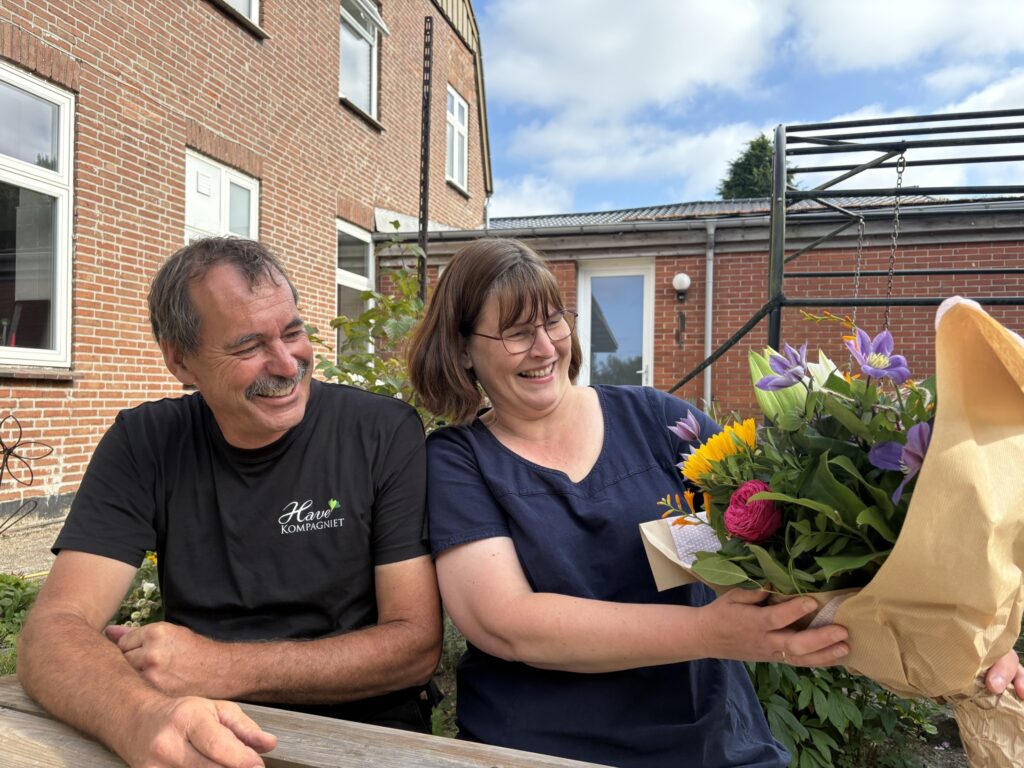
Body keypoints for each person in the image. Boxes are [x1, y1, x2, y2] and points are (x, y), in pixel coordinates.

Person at [406, 238, 1024, 768]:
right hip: (541, 750)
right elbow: (505, 622)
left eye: (554, 322)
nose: (545, 348)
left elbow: (801, 541)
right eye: (517, 333)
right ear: (461, 349)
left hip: (708, 743)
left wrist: (968, 641)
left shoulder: (658, 423)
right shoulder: (460, 460)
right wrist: (709, 632)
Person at [18, 237, 442, 768]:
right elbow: (52, 632)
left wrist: (221, 666)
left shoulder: (380, 431)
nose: (287, 364)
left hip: (363, 734)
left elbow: (415, 647)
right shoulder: (145, 442)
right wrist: (139, 717)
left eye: (293, 332)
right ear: (181, 362)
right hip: (198, 727)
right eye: (248, 347)